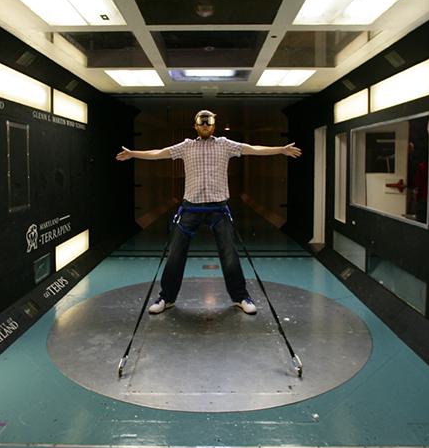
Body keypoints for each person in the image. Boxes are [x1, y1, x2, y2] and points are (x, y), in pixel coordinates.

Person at [116, 109, 301, 314]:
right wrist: (133, 154)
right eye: (201, 123)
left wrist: (280, 150)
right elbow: (160, 153)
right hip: (190, 208)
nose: (205, 126)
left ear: (213, 126)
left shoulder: (224, 144)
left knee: (229, 253)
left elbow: (252, 149)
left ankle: (240, 297)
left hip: (218, 209)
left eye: (209, 123)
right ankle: (166, 298)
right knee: (175, 253)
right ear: (195, 125)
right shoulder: (186, 147)